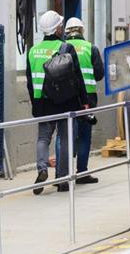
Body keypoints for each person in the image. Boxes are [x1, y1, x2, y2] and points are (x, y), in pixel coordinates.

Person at [26, 11, 90, 194]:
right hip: (64, 101)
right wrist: (84, 101)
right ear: (58, 28)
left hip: (41, 102)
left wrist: (34, 103)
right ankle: (62, 180)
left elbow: (30, 82)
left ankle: (42, 169)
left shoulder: (32, 51)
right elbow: (77, 78)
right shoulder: (65, 48)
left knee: (43, 138)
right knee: (64, 138)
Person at [63, 17, 104, 184]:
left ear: (66, 32)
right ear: (82, 30)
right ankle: (81, 172)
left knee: (64, 135)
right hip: (87, 97)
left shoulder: (61, 47)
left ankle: (63, 174)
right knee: (84, 135)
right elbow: (99, 74)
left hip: (66, 97)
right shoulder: (90, 48)